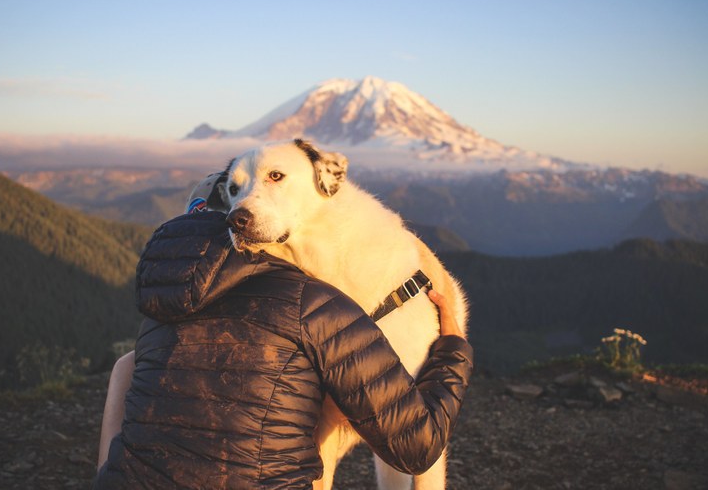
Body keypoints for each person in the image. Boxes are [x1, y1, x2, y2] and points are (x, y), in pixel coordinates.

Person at [94, 175, 473, 489]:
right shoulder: (314, 306)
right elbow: (416, 445)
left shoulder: (160, 315)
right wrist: (453, 349)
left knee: (125, 368)